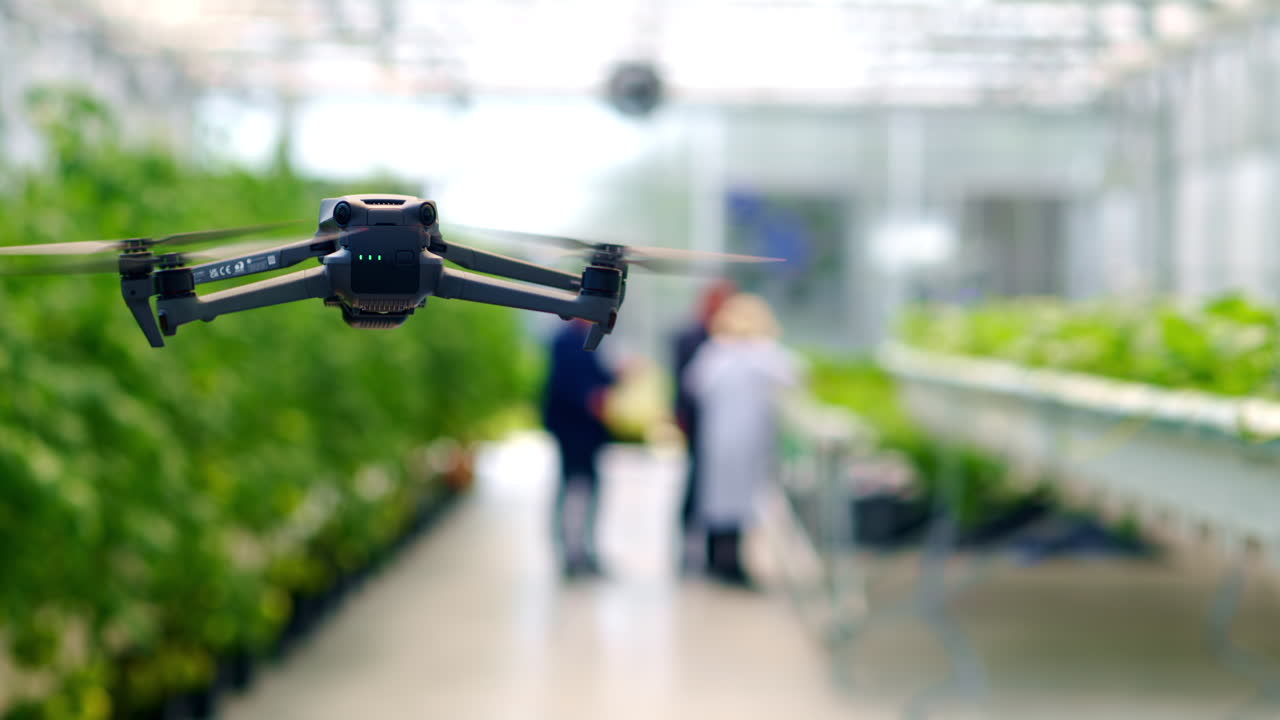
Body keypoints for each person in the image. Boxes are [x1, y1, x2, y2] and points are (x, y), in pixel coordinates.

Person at [685, 294, 798, 587]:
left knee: (728, 501)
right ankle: (726, 562)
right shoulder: (759, 353)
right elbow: (793, 377)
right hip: (741, 440)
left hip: (728, 439)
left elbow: (694, 386)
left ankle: (723, 559)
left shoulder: (718, 352)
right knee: (732, 502)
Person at [542, 318, 617, 578]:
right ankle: (572, 552)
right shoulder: (566, 340)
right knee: (576, 489)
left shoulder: (588, 337)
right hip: (573, 429)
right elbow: (568, 384)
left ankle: (582, 548)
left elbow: (596, 376)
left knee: (586, 490)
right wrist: (590, 399)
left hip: (587, 431)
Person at [671, 280, 736, 569]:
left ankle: (716, 552)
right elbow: (683, 384)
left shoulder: (728, 340)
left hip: (724, 425)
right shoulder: (690, 337)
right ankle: (689, 547)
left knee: (719, 488)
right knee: (696, 484)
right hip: (699, 423)